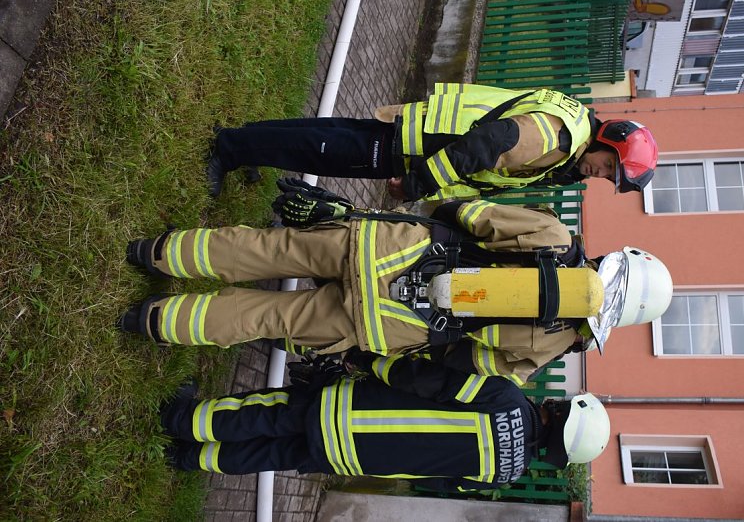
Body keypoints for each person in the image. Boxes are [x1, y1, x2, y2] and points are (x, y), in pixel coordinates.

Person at [118, 197, 673, 383]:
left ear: (612, 260)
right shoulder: (554, 346)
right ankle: (155, 320)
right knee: (269, 319)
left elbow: (470, 213)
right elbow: (476, 364)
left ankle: (160, 253)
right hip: (389, 323)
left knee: (273, 250)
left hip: (388, 250)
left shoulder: (553, 234)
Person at [160, 351, 611, 485]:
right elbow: (436, 481)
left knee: (261, 415)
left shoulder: (506, 399)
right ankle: (188, 460)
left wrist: (369, 360)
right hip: (353, 459)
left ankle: (182, 420)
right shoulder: (505, 474)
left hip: (350, 412)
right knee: (269, 454)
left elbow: (426, 381)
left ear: (560, 412)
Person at [206, 82, 658, 200]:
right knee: (321, 149)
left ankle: (248, 142)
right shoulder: (558, 138)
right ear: (609, 140)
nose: (599, 175)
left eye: (609, 179)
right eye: (607, 167)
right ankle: (229, 148)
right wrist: (418, 184)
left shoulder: (574, 126)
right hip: (421, 147)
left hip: (422, 131)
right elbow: (486, 145)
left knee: (325, 134)